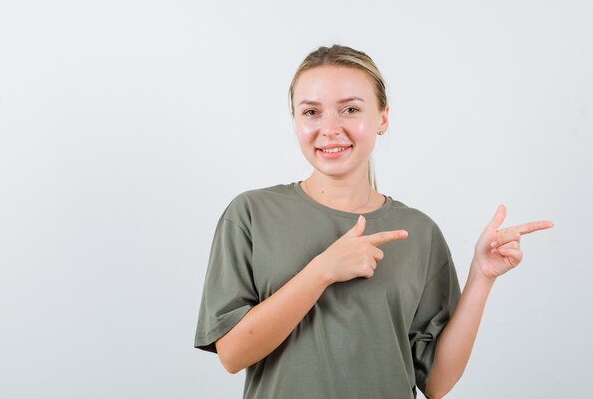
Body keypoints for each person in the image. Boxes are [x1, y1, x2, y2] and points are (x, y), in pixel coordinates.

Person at [194, 44, 554, 399]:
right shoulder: (251, 214)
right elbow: (232, 354)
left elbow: (437, 383)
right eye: (311, 112)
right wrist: (323, 270)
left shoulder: (418, 232)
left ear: (382, 118)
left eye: (350, 109)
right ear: (295, 120)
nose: (330, 128)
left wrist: (481, 277)